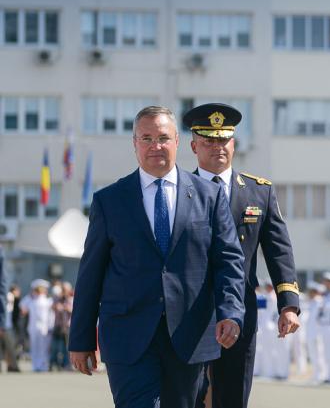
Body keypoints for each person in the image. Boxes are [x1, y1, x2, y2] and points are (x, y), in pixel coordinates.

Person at [68, 105, 246, 408]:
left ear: (178, 142)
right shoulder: (110, 201)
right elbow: (91, 274)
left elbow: (229, 261)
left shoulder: (209, 196)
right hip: (128, 337)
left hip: (190, 337)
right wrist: (81, 339)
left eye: (163, 137)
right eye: (146, 138)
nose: (155, 146)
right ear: (134, 144)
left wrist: (231, 311)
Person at [182, 103, 301, 408]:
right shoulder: (180, 191)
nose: (217, 148)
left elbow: (279, 251)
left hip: (238, 309)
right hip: (188, 311)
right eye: (209, 142)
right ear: (194, 146)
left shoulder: (258, 192)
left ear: (234, 143)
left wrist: (288, 305)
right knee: (187, 395)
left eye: (223, 140)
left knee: (233, 395)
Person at [21, 279, 54, 372]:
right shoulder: (31, 299)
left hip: (45, 327)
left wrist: (50, 326)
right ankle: (35, 365)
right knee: (34, 347)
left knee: (44, 347)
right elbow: (23, 309)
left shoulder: (48, 300)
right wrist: (30, 296)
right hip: (33, 327)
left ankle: (43, 365)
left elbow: (51, 315)